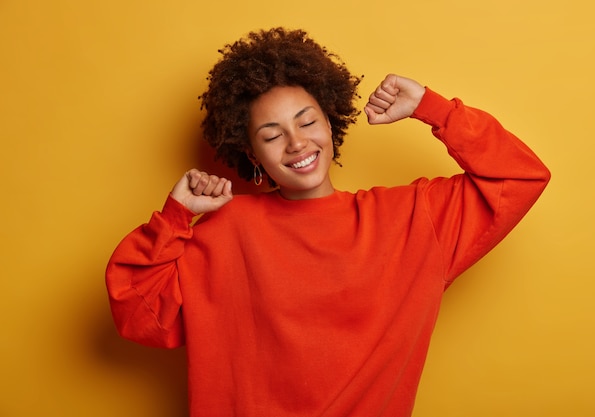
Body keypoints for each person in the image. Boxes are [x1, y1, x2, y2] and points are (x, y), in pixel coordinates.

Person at [106, 27, 550, 417]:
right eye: (272, 135)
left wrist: (434, 109)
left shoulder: (413, 219)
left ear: (331, 121)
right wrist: (175, 217)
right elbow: (139, 318)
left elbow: (520, 177)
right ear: (252, 155)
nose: (297, 143)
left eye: (307, 121)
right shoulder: (225, 230)